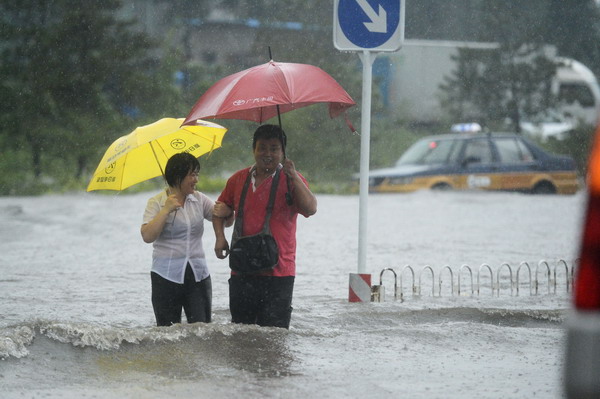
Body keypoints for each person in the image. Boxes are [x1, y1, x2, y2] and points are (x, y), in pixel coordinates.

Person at [213, 124, 317, 329]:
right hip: (242, 271)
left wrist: (293, 175)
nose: (267, 154)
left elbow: (311, 208)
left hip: (279, 272)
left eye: (274, 148)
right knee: (240, 334)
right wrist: (219, 237)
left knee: (275, 337)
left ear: (283, 152)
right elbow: (218, 210)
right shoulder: (237, 179)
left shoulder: (292, 180)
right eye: (262, 148)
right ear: (253, 149)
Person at [141, 152, 229, 326]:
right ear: (177, 176)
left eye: (197, 174)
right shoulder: (157, 202)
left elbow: (221, 218)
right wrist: (165, 210)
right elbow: (147, 236)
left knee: (202, 329)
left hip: (198, 273)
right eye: (192, 174)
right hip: (165, 274)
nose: (196, 180)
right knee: (167, 333)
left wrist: (227, 212)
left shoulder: (199, 199)